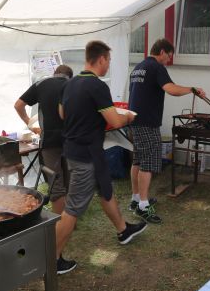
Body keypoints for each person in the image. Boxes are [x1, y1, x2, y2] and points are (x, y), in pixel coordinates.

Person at [56, 41, 146, 275]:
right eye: (109, 60)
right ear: (102, 59)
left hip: (79, 150)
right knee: (73, 208)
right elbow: (115, 122)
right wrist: (128, 117)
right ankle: (51, 259)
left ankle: (123, 230)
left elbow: (62, 114)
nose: (108, 65)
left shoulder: (70, 83)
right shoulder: (97, 86)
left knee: (105, 189)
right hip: (85, 155)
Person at [128, 38, 206, 224]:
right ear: (162, 51)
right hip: (147, 122)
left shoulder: (138, 67)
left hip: (134, 120)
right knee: (148, 162)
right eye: (169, 56)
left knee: (138, 160)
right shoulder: (156, 67)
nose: (169, 60)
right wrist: (191, 89)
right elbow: (171, 89)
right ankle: (143, 207)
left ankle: (136, 198)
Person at [14, 64, 73, 216]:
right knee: (69, 181)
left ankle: (59, 225)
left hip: (50, 141)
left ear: (55, 74)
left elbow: (18, 105)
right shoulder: (74, 85)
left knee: (56, 185)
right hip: (72, 141)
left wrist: (30, 124)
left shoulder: (42, 84)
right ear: (69, 76)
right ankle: (68, 222)